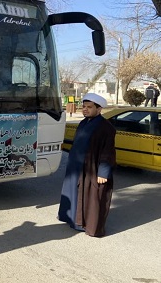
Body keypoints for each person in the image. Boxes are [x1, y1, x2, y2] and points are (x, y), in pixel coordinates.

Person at [57, 93, 116, 237]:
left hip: (92, 168)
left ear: (99, 109)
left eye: (89, 107)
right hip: (76, 167)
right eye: (84, 107)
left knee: (92, 198)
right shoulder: (84, 122)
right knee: (74, 193)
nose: (85, 109)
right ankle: (73, 220)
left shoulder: (105, 127)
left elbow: (107, 152)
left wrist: (103, 172)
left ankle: (87, 225)